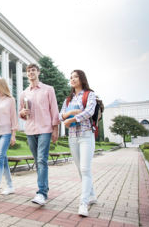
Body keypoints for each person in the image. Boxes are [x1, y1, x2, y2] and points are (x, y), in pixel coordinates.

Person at [19, 63, 59, 206]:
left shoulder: (48, 89)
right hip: (30, 130)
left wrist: (55, 130)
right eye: (29, 71)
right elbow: (21, 112)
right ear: (27, 74)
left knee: (42, 160)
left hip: (45, 129)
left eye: (33, 70)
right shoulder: (24, 93)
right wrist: (22, 113)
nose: (31, 73)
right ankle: (44, 187)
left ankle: (41, 193)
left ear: (38, 72)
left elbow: (54, 110)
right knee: (38, 161)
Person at [59, 69, 97, 217]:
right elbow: (60, 115)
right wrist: (68, 114)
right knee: (81, 170)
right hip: (72, 137)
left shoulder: (89, 94)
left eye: (75, 77)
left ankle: (83, 203)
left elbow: (89, 112)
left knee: (85, 169)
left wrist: (73, 119)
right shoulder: (68, 100)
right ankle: (92, 195)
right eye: (71, 77)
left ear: (82, 79)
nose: (72, 79)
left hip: (86, 135)